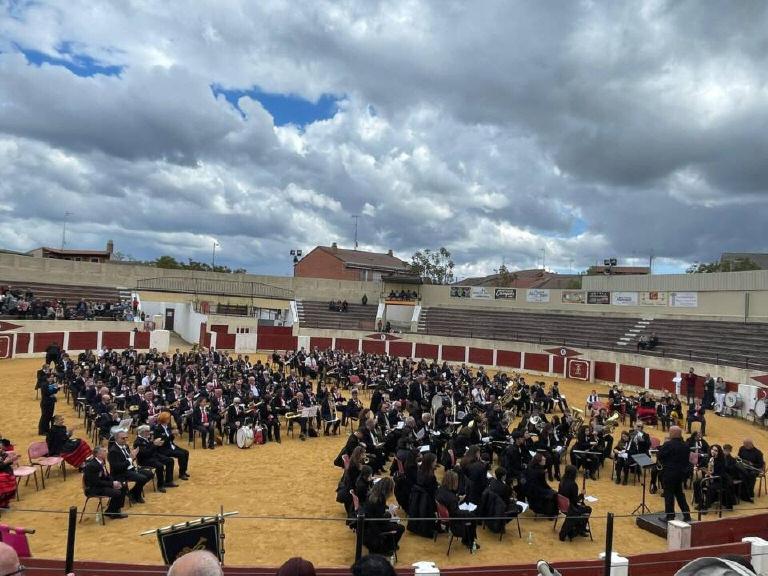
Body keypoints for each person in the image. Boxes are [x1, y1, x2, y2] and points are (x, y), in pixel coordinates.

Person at [361, 476, 404, 557]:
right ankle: (387, 547)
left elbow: (378, 511)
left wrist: (387, 509)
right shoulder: (380, 499)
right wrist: (389, 514)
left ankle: (388, 545)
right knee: (400, 528)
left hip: (370, 525)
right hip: (375, 527)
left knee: (394, 523)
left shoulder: (373, 494)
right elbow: (380, 519)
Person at [436, 469, 478, 551]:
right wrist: (467, 511)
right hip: (454, 522)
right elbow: (455, 512)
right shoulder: (451, 498)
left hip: (446, 517)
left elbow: (449, 502)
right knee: (472, 517)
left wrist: (457, 499)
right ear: (452, 482)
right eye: (456, 481)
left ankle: (468, 540)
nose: (458, 483)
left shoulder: (440, 489)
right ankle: (469, 541)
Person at [656, 426, 692, 523]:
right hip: (680, 474)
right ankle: (687, 515)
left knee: (669, 494)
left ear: (673, 434)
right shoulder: (686, 445)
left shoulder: (668, 444)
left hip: (669, 473)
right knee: (680, 494)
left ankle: (670, 516)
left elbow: (660, 456)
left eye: (670, 432)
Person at [108, 430, 154, 504]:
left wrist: (133, 456)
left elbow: (130, 458)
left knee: (149, 474)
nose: (125, 440)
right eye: (123, 438)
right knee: (142, 478)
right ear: (116, 439)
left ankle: (133, 492)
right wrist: (130, 458)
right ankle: (136, 495)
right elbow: (118, 467)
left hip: (130, 469)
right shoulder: (113, 451)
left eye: (126, 438)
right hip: (121, 473)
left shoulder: (126, 446)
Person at [83, 445, 127, 519]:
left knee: (123, 486)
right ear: (98, 454)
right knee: (117, 492)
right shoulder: (92, 465)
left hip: (101, 485)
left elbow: (106, 475)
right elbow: (96, 482)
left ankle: (111, 510)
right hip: (94, 488)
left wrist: (114, 482)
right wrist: (112, 484)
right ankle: (114, 513)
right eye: (104, 451)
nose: (106, 452)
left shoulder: (102, 461)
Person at [134, 425, 177, 492]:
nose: (150, 432)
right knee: (160, 466)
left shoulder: (146, 438)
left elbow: (151, 448)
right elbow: (146, 454)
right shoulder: (138, 442)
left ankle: (168, 481)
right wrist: (154, 444)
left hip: (153, 456)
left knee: (170, 460)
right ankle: (160, 485)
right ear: (142, 432)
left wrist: (157, 444)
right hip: (145, 460)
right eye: (148, 431)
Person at [558, 464, 592, 541]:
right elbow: (575, 500)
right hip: (570, 508)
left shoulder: (562, 481)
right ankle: (581, 529)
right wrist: (582, 494)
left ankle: (580, 527)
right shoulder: (573, 485)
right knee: (588, 509)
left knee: (583, 507)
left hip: (562, 506)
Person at [154, 412, 190, 481]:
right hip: (163, 449)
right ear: (164, 419)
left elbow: (170, 439)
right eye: (168, 418)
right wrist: (171, 434)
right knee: (181, 454)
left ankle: (183, 471)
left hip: (171, 446)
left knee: (186, 452)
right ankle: (181, 474)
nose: (169, 419)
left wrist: (174, 435)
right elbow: (162, 442)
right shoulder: (158, 429)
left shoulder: (168, 427)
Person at [737, 438, 765, 503]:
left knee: (751, 475)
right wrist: (738, 459)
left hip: (754, 469)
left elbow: (760, 465)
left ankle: (749, 493)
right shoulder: (742, 448)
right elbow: (739, 458)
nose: (745, 446)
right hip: (744, 468)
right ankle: (740, 492)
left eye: (746, 445)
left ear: (751, 444)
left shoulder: (758, 453)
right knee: (737, 472)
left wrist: (752, 464)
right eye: (744, 444)